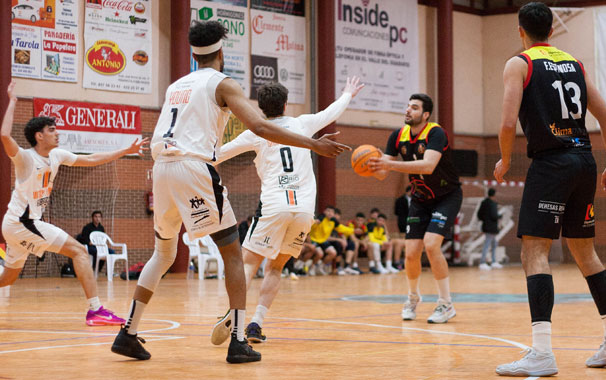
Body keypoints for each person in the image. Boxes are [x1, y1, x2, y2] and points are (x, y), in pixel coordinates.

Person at [110, 21, 349, 363]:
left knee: (162, 255)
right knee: (234, 254)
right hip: (193, 167)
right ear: (221, 53)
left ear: (194, 54)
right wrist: (313, 144)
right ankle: (238, 340)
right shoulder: (223, 83)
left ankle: (128, 332)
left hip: (161, 169)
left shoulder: (175, 86)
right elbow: (261, 126)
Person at [492, 3, 606, 377]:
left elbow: (507, 123)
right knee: (585, 252)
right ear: (552, 30)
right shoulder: (574, 63)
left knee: (534, 252)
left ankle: (541, 352)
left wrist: (505, 159)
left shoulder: (519, 63)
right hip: (584, 162)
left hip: (551, 164)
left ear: (520, 30)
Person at [208, 77, 363, 344]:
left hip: (274, 205)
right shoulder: (302, 123)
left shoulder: (255, 131)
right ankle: (256, 323)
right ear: (286, 104)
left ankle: (236, 315)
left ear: (261, 108)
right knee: (276, 268)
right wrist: (348, 93)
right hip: (303, 210)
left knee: (248, 264)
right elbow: (332, 112)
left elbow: (218, 155)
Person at [0, 81, 145, 326]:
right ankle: (96, 310)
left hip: (17, 225)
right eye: (52, 130)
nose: (58, 133)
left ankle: (96, 310)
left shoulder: (57, 155)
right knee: (79, 250)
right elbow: (4, 136)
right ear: (39, 135)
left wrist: (124, 151)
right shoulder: (26, 159)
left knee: (8, 278)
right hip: (22, 222)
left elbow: (92, 159)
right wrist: (13, 100)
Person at [368, 93, 462, 324]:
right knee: (411, 253)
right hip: (420, 199)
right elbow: (382, 173)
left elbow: (429, 166)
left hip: (446, 196)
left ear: (426, 114)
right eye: (408, 106)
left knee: (431, 245)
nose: (408, 110)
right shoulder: (397, 136)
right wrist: (370, 164)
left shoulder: (435, 133)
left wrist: (390, 164)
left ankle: (445, 304)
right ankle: (412, 297)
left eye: (415, 108)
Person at [477, 188, 503, 270]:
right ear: (494, 195)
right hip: (491, 227)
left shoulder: (483, 202)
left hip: (486, 226)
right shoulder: (493, 203)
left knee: (494, 243)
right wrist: (500, 216)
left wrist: (485, 220)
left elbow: (479, 214)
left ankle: (494, 261)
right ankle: (482, 262)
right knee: (487, 244)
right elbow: (494, 216)